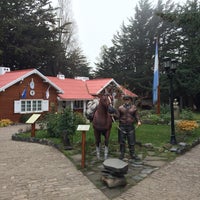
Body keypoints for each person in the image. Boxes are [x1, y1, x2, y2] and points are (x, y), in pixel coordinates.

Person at [116, 95, 141, 160]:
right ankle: (122, 154)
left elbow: (137, 115)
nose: (127, 101)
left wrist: (138, 121)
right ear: (123, 100)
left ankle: (132, 154)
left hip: (130, 126)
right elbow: (117, 116)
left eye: (128, 99)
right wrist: (113, 114)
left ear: (130, 100)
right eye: (125, 100)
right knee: (122, 141)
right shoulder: (120, 108)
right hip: (122, 126)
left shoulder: (134, 108)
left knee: (131, 141)